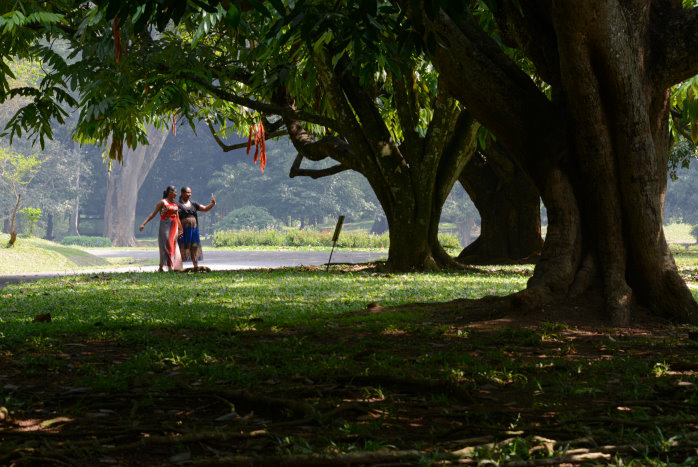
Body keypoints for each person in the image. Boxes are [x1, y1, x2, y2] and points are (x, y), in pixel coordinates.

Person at [139, 185, 183, 272]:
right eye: (175, 192)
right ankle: (170, 267)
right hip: (165, 225)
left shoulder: (175, 204)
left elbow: (177, 217)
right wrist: (144, 224)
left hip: (174, 226)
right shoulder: (162, 202)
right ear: (170, 193)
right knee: (167, 246)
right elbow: (153, 214)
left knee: (172, 246)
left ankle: (161, 266)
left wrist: (181, 229)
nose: (176, 194)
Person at [177, 186, 216, 269]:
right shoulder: (178, 205)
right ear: (182, 193)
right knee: (182, 247)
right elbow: (176, 218)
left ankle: (195, 266)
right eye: (187, 193)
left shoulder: (193, 203)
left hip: (193, 230)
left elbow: (205, 208)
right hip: (183, 230)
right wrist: (179, 229)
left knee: (194, 246)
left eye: (190, 193)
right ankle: (178, 267)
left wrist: (212, 204)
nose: (189, 194)